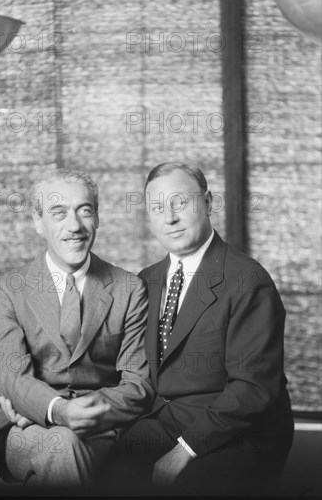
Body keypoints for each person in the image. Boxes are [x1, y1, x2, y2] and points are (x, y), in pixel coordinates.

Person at [103, 162, 294, 495]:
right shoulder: (146, 280)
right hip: (168, 419)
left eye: (180, 203)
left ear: (207, 202)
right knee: (110, 473)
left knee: (188, 486)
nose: (169, 217)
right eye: (157, 208)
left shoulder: (248, 281)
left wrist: (184, 450)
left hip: (241, 431)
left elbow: (252, 388)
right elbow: (122, 364)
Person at [0, 168, 153, 489]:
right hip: (25, 426)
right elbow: (10, 375)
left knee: (64, 450)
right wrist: (57, 410)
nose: (74, 226)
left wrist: (86, 412)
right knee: (62, 446)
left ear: (97, 218)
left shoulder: (129, 288)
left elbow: (138, 385)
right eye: (59, 213)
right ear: (37, 222)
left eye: (84, 211)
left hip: (100, 425)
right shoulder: (8, 289)